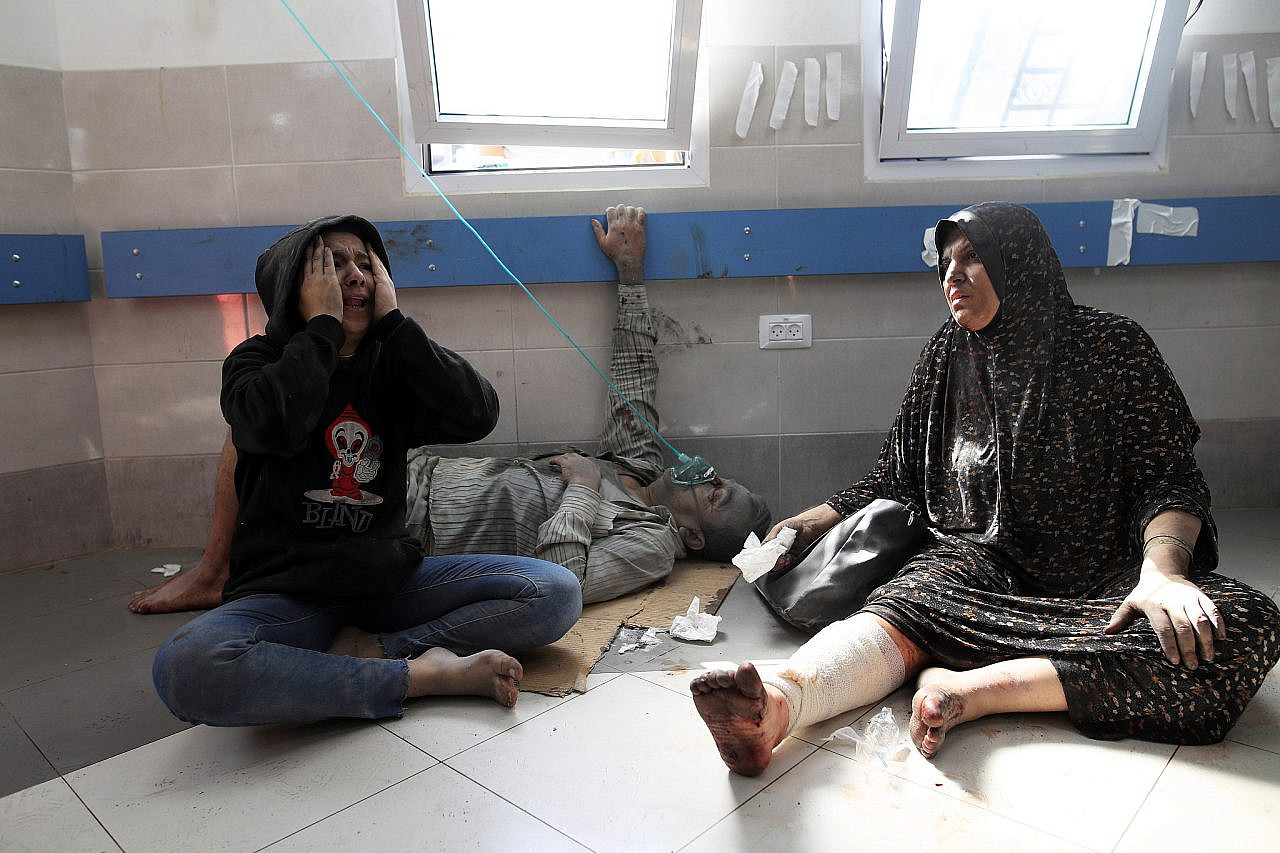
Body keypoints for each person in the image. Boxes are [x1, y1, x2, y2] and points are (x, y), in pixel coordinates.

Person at [691, 201, 1280, 775]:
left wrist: (1163, 574)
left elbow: (1169, 477)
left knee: (1243, 625)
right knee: (908, 600)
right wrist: (811, 520)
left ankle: (972, 688)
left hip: (1107, 575)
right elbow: (896, 475)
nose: (953, 275)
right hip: (979, 566)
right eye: (945, 262)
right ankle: (777, 706)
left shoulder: (1112, 348)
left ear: (1021, 262)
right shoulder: (947, 355)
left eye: (973, 257)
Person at [131, 204, 772, 615]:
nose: (706, 475)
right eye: (334, 266)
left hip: (414, 535)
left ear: (691, 536)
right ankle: (221, 569)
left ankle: (256, 581)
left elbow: (562, 580)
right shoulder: (632, 461)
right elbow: (633, 372)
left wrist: (579, 492)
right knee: (258, 424)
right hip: (406, 477)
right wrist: (630, 272)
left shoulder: (652, 543)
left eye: (714, 495)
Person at [152, 215, 582, 725]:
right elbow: (270, 427)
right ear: (296, 286)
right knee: (187, 668)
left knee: (555, 593)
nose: (355, 277)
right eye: (332, 267)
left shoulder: (391, 359)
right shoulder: (258, 360)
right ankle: (419, 677)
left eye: (365, 264)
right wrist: (322, 331)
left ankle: (381, 651)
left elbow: (476, 415)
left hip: (390, 585)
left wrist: (397, 325)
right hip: (289, 596)